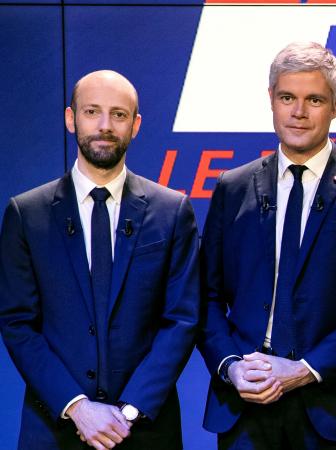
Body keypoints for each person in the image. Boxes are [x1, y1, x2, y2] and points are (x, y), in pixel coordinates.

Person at [197, 42, 336, 449]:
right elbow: (205, 298)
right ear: (271, 100)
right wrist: (230, 367)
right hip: (247, 406)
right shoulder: (233, 186)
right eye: (287, 98)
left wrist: (306, 368)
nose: (298, 112)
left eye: (314, 99)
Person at [0, 70, 200, 449]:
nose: (105, 126)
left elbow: (182, 319)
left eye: (119, 115)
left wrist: (126, 412)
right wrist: (78, 407)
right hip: (55, 430)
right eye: (92, 112)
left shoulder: (172, 212)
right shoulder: (28, 214)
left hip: (144, 431)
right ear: (70, 118)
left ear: (135, 125)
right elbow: (17, 323)